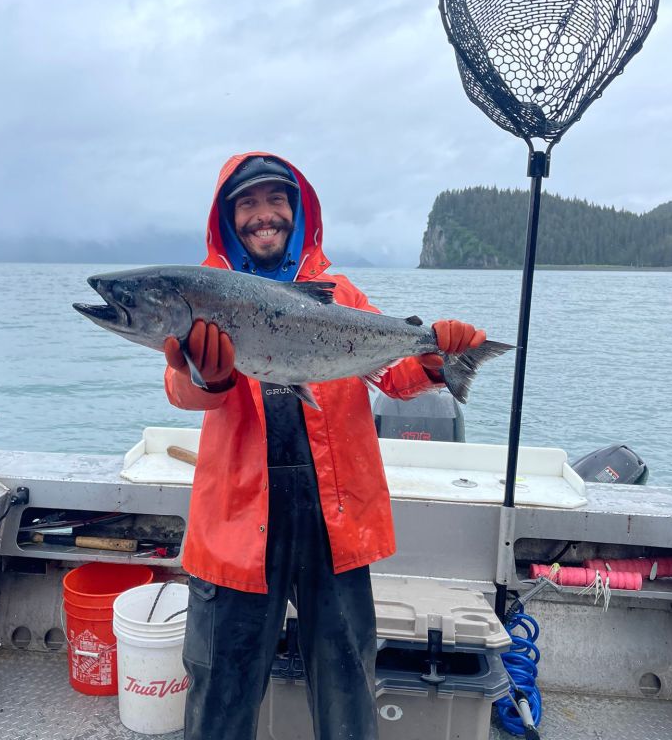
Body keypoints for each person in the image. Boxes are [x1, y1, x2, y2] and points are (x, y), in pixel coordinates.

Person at [162, 153, 485, 740]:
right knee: (219, 690)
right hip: (237, 518)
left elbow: (393, 376)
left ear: (298, 210)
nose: (264, 215)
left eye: (276, 200)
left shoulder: (340, 293)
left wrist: (437, 357)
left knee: (346, 686)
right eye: (248, 204)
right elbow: (180, 390)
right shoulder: (200, 294)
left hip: (333, 515)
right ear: (227, 218)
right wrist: (207, 378)